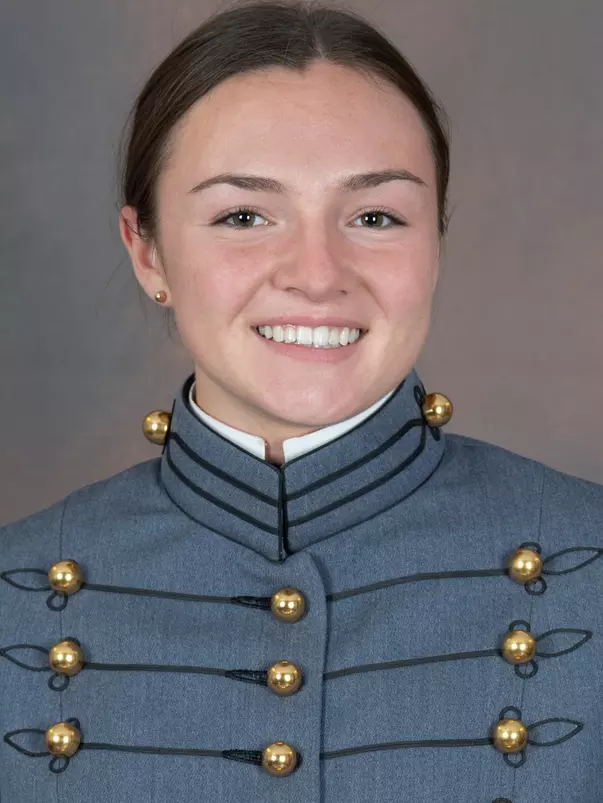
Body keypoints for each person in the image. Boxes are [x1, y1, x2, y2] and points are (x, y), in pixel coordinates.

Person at [1, 1, 602, 800]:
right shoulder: (16, 591)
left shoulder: (585, 562)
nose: (317, 274)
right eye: (243, 215)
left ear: (435, 242)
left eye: (375, 215)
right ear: (146, 251)